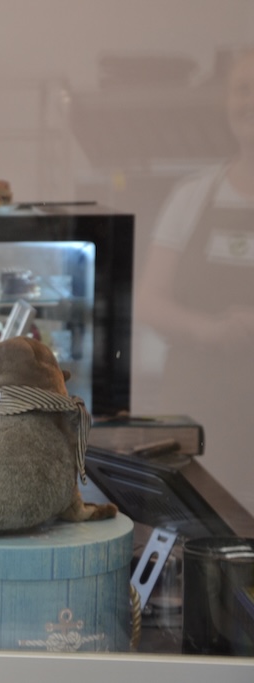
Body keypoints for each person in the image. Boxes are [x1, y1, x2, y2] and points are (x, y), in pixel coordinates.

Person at [135, 47, 254, 512]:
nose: (250, 101)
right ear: (227, 102)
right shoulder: (193, 195)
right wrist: (209, 330)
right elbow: (148, 300)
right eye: (243, 89)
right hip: (198, 421)